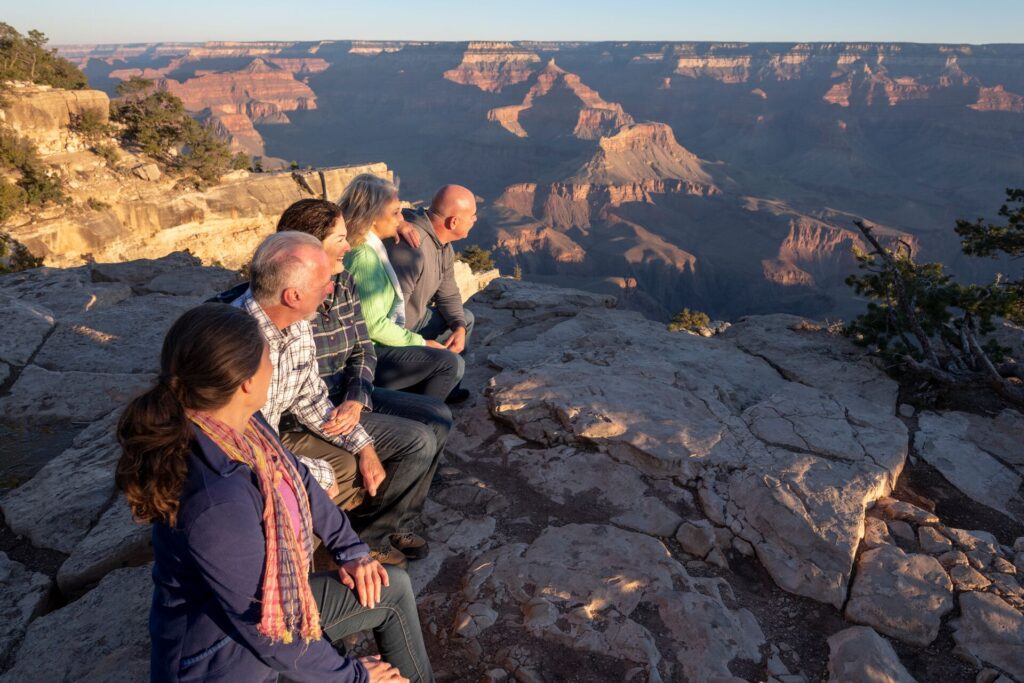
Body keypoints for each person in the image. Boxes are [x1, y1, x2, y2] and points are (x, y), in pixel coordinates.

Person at [115, 303, 433, 682]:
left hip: (267, 618)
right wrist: (354, 677)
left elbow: (299, 477)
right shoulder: (217, 501)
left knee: (389, 586)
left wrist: (350, 549)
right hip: (223, 661)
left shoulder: (244, 425)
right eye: (268, 357)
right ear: (247, 382)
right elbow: (268, 632)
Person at [212, 232, 438, 567]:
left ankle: (343, 541)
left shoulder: (297, 324)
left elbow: (311, 398)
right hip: (237, 470)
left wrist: (363, 445)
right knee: (337, 471)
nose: (332, 289)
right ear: (293, 295)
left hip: (273, 444)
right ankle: (299, 561)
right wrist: (313, 475)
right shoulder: (237, 348)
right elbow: (237, 446)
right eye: (324, 283)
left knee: (390, 448)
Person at [275, 198, 454, 563]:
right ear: (310, 246)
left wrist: (358, 397)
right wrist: (354, 429)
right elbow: (300, 396)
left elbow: (362, 348)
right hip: (316, 411)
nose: (348, 244)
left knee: (436, 416)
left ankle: (398, 518)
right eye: (340, 238)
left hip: (348, 397)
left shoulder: (342, 282)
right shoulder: (293, 300)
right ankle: (371, 536)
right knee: (417, 439)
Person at [339, 174, 463, 402]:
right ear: (372, 217)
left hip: (375, 345)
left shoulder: (369, 245)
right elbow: (374, 327)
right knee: (448, 362)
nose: (402, 219)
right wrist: (421, 343)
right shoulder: (364, 257)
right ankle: (425, 416)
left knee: (462, 324)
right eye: (396, 212)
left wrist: (401, 220)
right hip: (368, 355)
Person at [388, 185, 479, 403]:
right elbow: (390, 317)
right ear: (453, 222)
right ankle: (422, 406)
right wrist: (420, 344)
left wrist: (458, 327)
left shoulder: (443, 245)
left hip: (416, 321)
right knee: (452, 363)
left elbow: (448, 293)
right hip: (393, 339)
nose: (475, 220)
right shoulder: (411, 248)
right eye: (472, 216)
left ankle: (447, 388)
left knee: (465, 319)